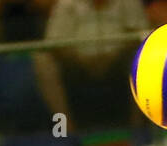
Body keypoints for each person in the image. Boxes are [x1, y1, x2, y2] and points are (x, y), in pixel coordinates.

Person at [32, 0, 145, 133]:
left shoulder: (129, 3)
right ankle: (66, 128)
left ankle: (138, 129)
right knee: (42, 60)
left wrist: (115, 54)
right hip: (75, 65)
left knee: (144, 55)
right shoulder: (66, 4)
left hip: (119, 62)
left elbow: (140, 35)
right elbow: (54, 43)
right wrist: (79, 59)